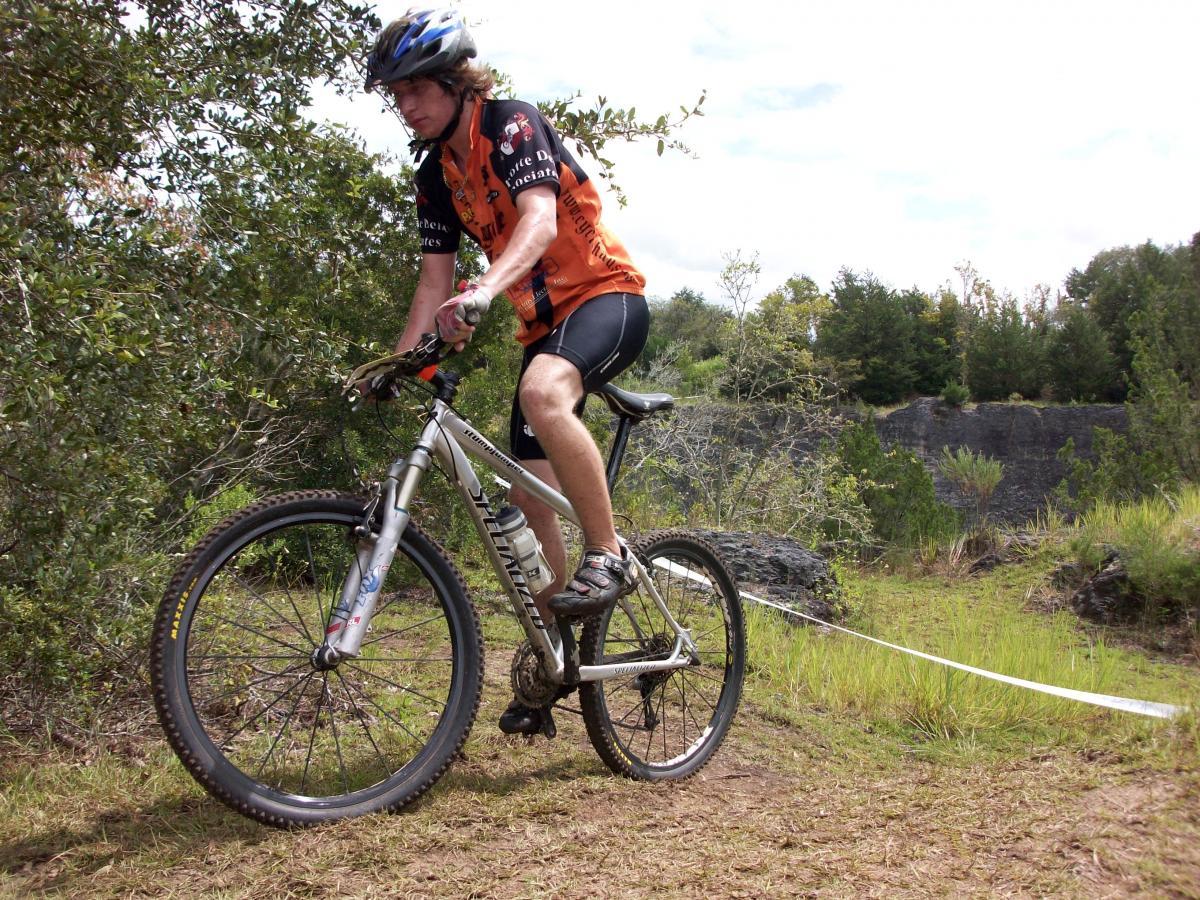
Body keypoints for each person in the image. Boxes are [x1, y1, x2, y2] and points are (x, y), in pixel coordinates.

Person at [365, 10, 650, 735]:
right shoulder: (436, 175)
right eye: (395, 96)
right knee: (529, 501)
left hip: (606, 298)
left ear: (457, 83)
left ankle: (609, 553)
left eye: (415, 90)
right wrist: (400, 361)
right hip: (544, 326)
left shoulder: (512, 125)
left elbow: (540, 222)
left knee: (541, 391)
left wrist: (486, 289)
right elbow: (432, 286)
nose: (406, 106)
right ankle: (557, 660)